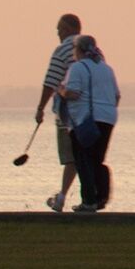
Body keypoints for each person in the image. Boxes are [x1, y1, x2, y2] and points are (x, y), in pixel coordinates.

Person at [58, 35, 119, 213]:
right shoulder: (107, 69)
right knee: (97, 159)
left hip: (85, 119)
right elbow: (116, 96)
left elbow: (73, 93)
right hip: (108, 118)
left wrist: (61, 90)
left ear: (78, 50)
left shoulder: (78, 67)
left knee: (83, 159)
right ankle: (101, 196)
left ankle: (89, 200)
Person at [35, 13, 81, 212]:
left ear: (70, 29)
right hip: (92, 114)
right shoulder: (94, 51)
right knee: (84, 157)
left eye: (60, 30)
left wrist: (40, 109)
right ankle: (84, 197)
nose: (58, 34)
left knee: (71, 157)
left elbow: (51, 82)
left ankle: (61, 197)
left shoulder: (62, 50)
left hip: (68, 113)